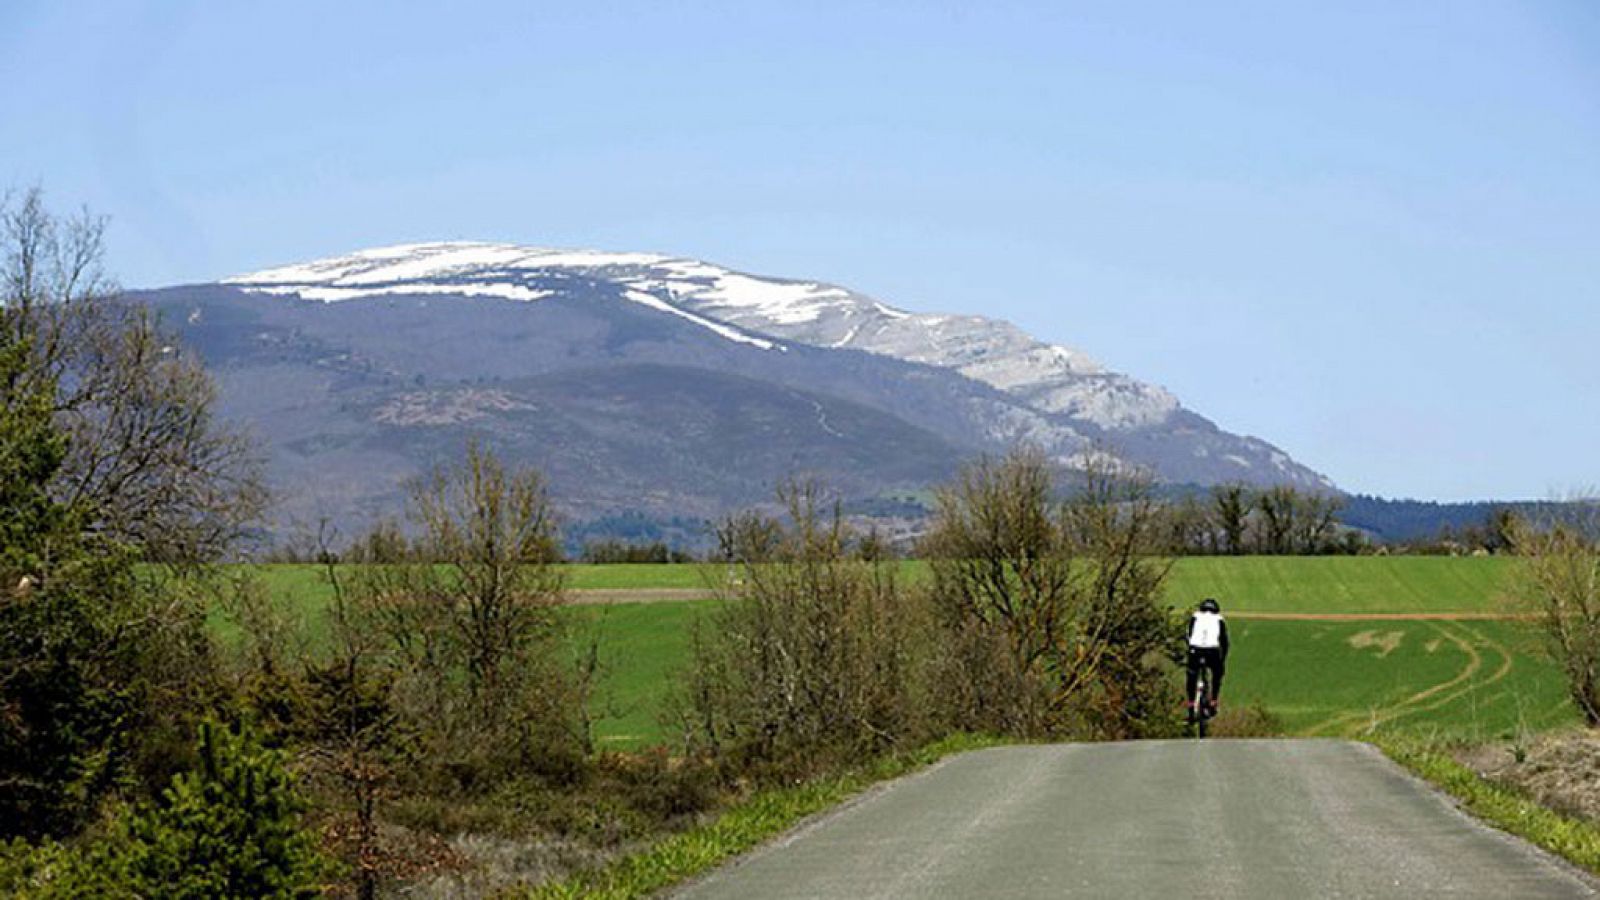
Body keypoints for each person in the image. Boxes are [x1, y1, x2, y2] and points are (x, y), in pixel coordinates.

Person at [1186, 597, 1229, 719]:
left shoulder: (1195, 616)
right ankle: (1214, 700)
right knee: (1217, 673)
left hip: (1195, 649)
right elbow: (1224, 641)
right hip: (1212, 650)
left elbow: (1189, 634)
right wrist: (1223, 659)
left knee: (1191, 675)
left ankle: (1190, 703)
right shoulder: (1219, 619)